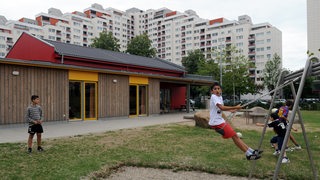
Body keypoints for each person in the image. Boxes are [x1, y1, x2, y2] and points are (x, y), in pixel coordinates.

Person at [209, 82, 262, 160]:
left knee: (235, 136)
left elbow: (219, 109)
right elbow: (221, 107)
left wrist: (231, 110)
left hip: (219, 121)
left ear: (221, 90)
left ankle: (252, 151)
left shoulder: (219, 97)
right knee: (235, 136)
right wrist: (235, 107)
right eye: (215, 89)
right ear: (212, 91)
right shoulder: (214, 97)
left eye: (218, 88)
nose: (217, 90)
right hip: (217, 123)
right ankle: (248, 154)